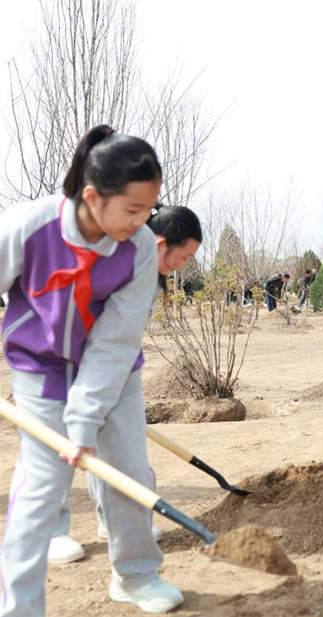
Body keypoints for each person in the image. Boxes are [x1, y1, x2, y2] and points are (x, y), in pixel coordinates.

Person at [0, 125, 184, 615]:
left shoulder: (139, 247)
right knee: (41, 489)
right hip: (40, 368)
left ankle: (136, 576)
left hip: (113, 374)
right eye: (132, 209)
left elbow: (115, 341)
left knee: (128, 473)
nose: (142, 222)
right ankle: (19, 606)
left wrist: (84, 420)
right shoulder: (27, 225)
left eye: (149, 209)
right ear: (92, 196)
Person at [48, 205, 203, 566]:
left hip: (118, 366)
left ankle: (120, 523)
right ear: (161, 244)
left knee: (124, 452)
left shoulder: (151, 276)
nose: (185, 265)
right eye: (185, 256)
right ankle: (51, 531)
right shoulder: (105, 258)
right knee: (57, 445)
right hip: (64, 361)